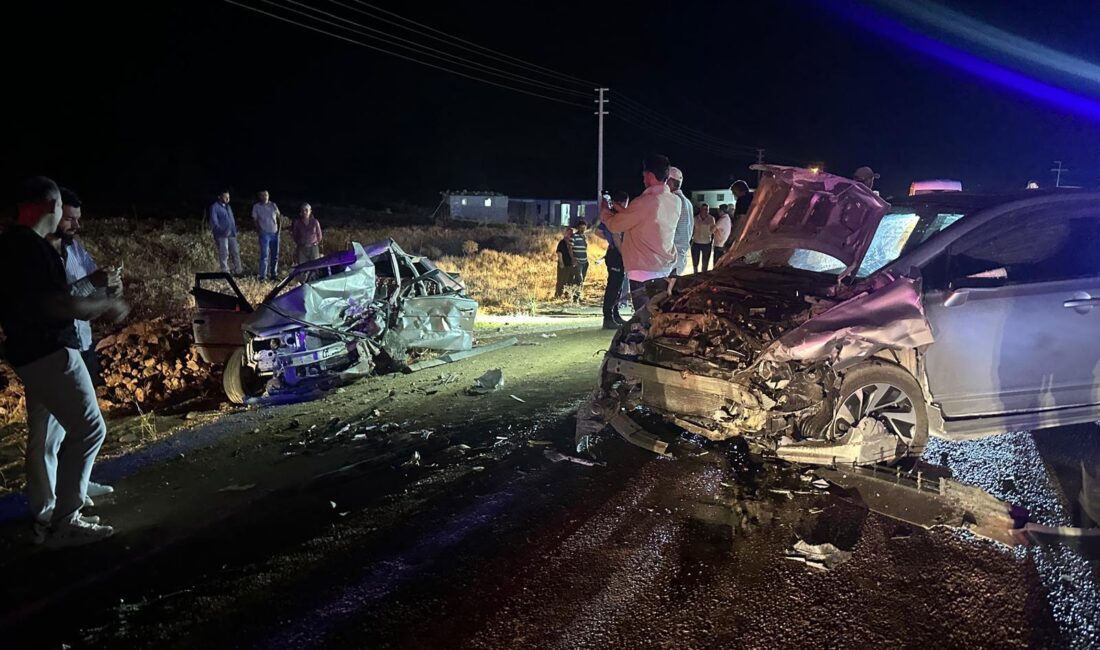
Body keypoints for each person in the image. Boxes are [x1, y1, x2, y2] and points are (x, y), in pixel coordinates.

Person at [0, 177, 129, 547]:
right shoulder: (30, 249)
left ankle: (57, 510)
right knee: (90, 429)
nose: (68, 219)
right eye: (62, 209)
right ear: (50, 206)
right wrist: (106, 304)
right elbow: (58, 305)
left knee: (51, 432)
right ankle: (64, 521)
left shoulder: (14, 245)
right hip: (51, 350)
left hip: (31, 353)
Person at [53, 188, 118, 503]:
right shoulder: (45, 254)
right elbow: (63, 298)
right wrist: (96, 285)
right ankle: (65, 497)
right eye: (69, 219)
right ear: (53, 214)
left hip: (84, 341)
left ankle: (77, 481)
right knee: (73, 425)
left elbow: (94, 279)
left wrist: (108, 286)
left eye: (78, 219)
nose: (76, 226)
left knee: (79, 423)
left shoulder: (75, 248)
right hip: (61, 346)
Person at [599, 153, 680, 311]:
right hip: (664, 268)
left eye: (644, 175)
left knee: (645, 320)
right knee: (661, 317)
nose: (643, 179)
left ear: (649, 175)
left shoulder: (644, 202)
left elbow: (615, 225)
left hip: (643, 272)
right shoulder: (674, 201)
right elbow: (648, 220)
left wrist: (605, 211)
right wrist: (623, 210)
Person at [598, 192, 630, 329]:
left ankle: (615, 314)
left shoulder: (611, 216)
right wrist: (623, 253)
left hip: (614, 253)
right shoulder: (617, 217)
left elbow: (598, 231)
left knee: (617, 286)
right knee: (613, 287)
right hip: (617, 254)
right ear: (622, 203)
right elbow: (616, 237)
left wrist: (609, 239)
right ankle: (608, 317)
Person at [208, 190, 242, 275]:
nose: (227, 199)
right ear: (219, 197)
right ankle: (225, 271)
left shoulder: (228, 207)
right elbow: (214, 222)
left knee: (235, 252)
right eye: (225, 197)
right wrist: (222, 231)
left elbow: (231, 220)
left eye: (228, 197)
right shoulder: (215, 207)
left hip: (232, 234)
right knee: (224, 253)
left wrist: (234, 230)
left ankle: (238, 271)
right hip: (221, 235)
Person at [667, 167, 693, 276]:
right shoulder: (687, 202)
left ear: (671, 182)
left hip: (671, 261)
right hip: (680, 259)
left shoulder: (672, 201)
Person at [251, 190, 281, 280]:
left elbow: (278, 218)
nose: (265, 197)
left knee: (275, 255)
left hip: (275, 233)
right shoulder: (256, 207)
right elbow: (255, 220)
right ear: (259, 196)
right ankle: (263, 276)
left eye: (266, 195)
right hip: (264, 233)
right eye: (263, 195)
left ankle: (273, 274)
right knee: (264, 255)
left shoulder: (273, 205)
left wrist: (278, 231)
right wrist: (259, 230)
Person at [691, 202, 716, 273]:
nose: (706, 211)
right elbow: (692, 229)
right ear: (700, 210)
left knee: (705, 263)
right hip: (696, 243)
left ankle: (703, 276)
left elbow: (713, 230)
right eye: (704, 209)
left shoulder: (711, 219)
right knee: (695, 263)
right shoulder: (695, 218)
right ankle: (695, 276)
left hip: (707, 243)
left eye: (707, 209)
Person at [554, 226, 577, 299]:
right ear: (566, 233)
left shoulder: (571, 243)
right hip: (563, 264)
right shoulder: (562, 242)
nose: (570, 235)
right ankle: (558, 295)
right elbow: (559, 253)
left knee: (569, 280)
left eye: (571, 233)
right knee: (561, 280)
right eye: (569, 233)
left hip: (570, 264)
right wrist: (561, 262)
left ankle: (567, 295)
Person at [570, 220, 589, 303]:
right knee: (579, 279)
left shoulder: (584, 237)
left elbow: (585, 248)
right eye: (581, 228)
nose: (582, 230)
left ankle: (578, 295)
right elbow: (570, 248)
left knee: (582, 280)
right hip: (578, 261)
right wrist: (573, 259)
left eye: (584, 228)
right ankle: (575, 297)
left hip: (585, 261)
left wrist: (584, 240)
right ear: (578, 228)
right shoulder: (574, 236)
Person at [730, 180, 753, 246]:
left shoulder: (742, 201)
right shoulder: (753, 196)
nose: (733, 194)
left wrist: (731, 240)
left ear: (738, 190)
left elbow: (740, 221)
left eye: (733, 191)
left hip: (743, 238)